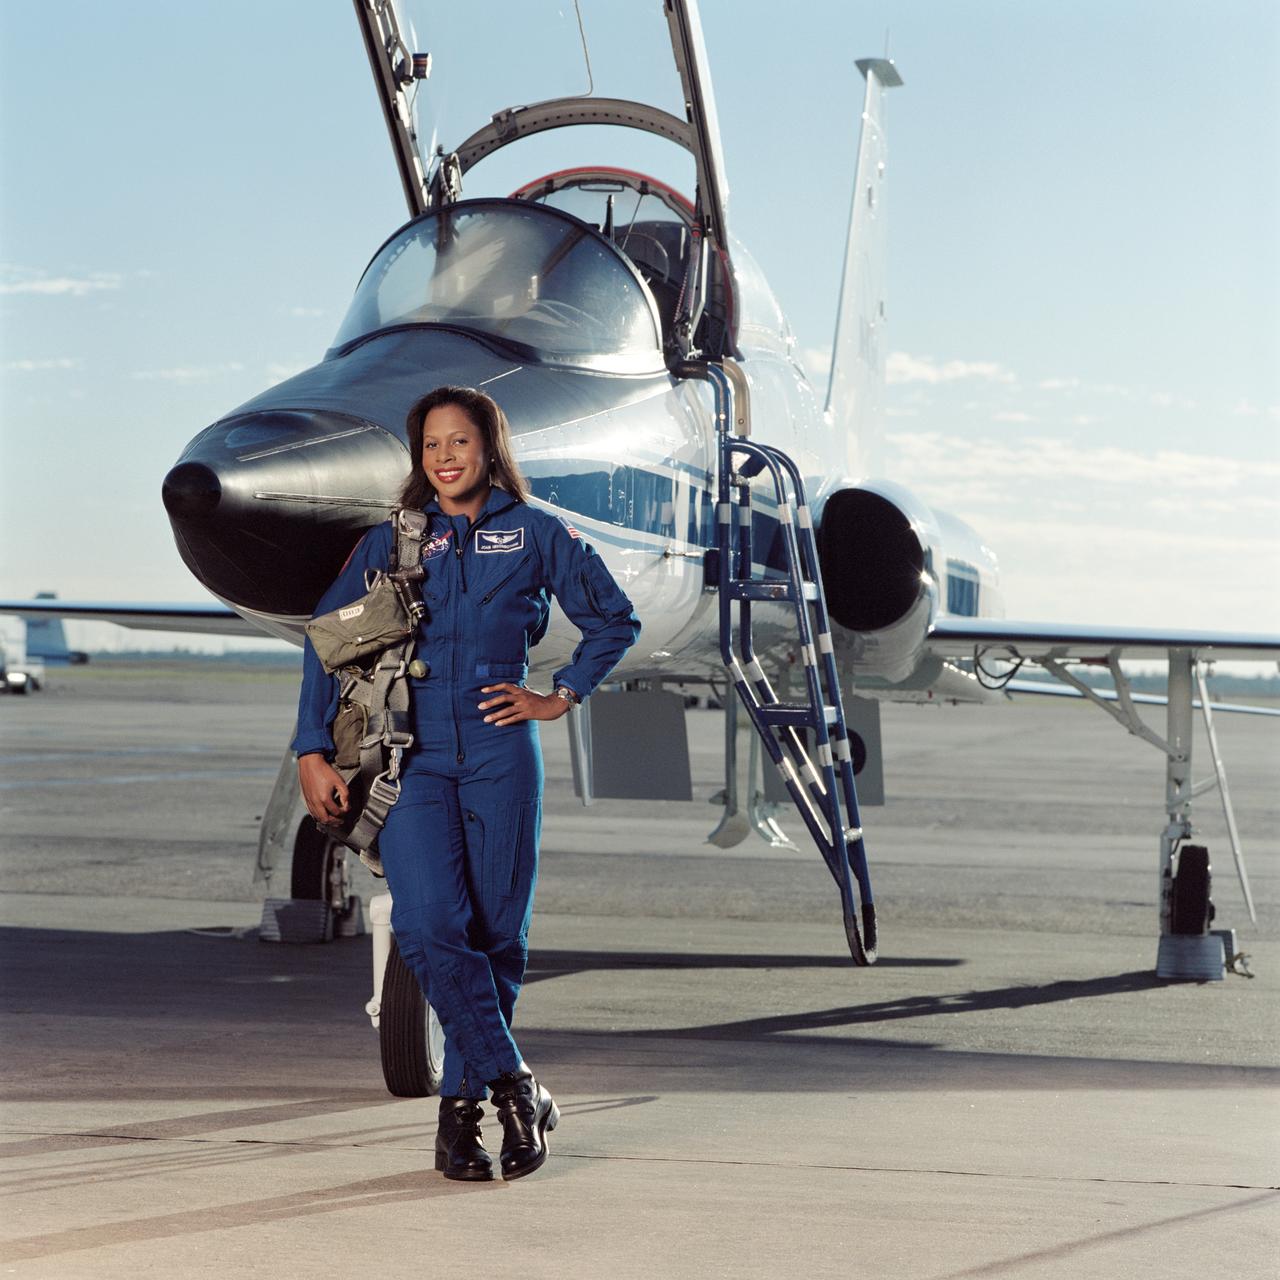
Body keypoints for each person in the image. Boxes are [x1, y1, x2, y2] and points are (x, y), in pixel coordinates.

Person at [293, 386, 639, 1182]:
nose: (445, 458)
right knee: (429, 925)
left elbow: (614, 620)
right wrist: (312, 748)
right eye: (431, 446)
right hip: (409, 755)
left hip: (500, 750)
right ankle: (518, 1091)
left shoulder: (538, 532)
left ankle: (458, 1124)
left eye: (460, 442)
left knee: (496, 939)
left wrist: (561, 695)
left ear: (490, 447)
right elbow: (326, 644)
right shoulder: (393, 541)